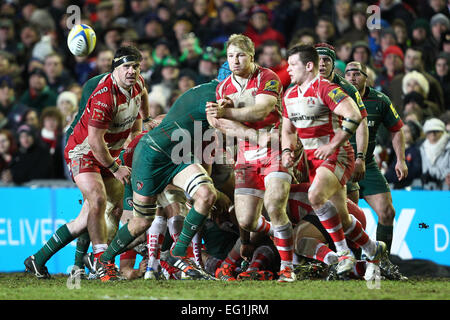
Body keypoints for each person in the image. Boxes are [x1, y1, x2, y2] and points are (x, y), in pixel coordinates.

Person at [83, 63, 235, 282]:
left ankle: (177, 254)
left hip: (179, 156)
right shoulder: (213, 97)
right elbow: (224, 124)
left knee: (206, 193)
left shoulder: (212, 92)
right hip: (151, 156)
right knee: (141, 223)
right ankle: (103, 260)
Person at [24, 46, 148, 280]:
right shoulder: (105, 97)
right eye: (126, 67)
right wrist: (115, 167)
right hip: (84, 151)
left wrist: (139, 134)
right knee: (98, 199)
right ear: (115, 69)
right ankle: (100, 260)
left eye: (135, 66)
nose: (131, 71)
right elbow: (94, 140)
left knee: (97, 214)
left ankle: (37, 259)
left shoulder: (138, 84)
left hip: (109, 151)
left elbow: (140, 110)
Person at [281, 44, 386, 278]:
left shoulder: (326, 88)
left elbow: (354, 115)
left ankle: (343, 254)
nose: (288, 69)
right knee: (342, 217)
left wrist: (333, 144)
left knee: (315, 196)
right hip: (312, 161)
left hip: (337, 155)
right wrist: (288, 150)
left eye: (293, 65)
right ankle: (372, 249)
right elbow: (287, 130)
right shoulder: (289, 94)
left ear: (309, 66)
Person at [206, 34, 295, 282]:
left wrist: (226, 112)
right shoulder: (223, 87)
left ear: (251, 56)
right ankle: (284, 235)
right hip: (247, 153)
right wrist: (247, 133)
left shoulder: (268, 77)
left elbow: (261, 109)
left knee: (276, 205)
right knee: (246, 220)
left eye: (240, 55)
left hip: (275, 146)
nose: (235, 60)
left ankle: (288, 268)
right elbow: (219, 123)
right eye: (231, 56)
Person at [344, 61, 408, 255]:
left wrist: (401, 159)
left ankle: (381, 263)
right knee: (343, 217)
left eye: (357, 74)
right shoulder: (336, 96)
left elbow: (396, 130)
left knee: (388, 212)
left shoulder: (380, 100)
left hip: (367, 165)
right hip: (341, 164)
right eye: (348, 74)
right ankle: (347, 262)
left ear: (367, 77)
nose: (352, 78)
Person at [419, 118, 450, 190]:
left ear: (442, 132)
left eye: (436, 131)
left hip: (446, 186)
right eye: (429, 132)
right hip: (430, 187)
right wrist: (426, 175)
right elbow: (425, 168)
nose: (433, 134)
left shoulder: (448, 146)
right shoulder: (423, 148)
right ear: (426, 134)